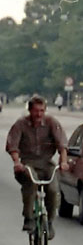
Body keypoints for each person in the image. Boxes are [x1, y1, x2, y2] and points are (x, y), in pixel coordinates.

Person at [7, 96, 69, 235]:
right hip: (27, 163)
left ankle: (50, 221)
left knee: (53, 189)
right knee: (31, 183)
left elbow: (62, 145)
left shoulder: (51, 123)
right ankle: (28, 218)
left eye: (42, 111)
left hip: (46, 163)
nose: (39, 114)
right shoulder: (21, 124)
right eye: (36, 111)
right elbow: (12, 146)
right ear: (29, 111)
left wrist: (63, 161)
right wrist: (17, 162)